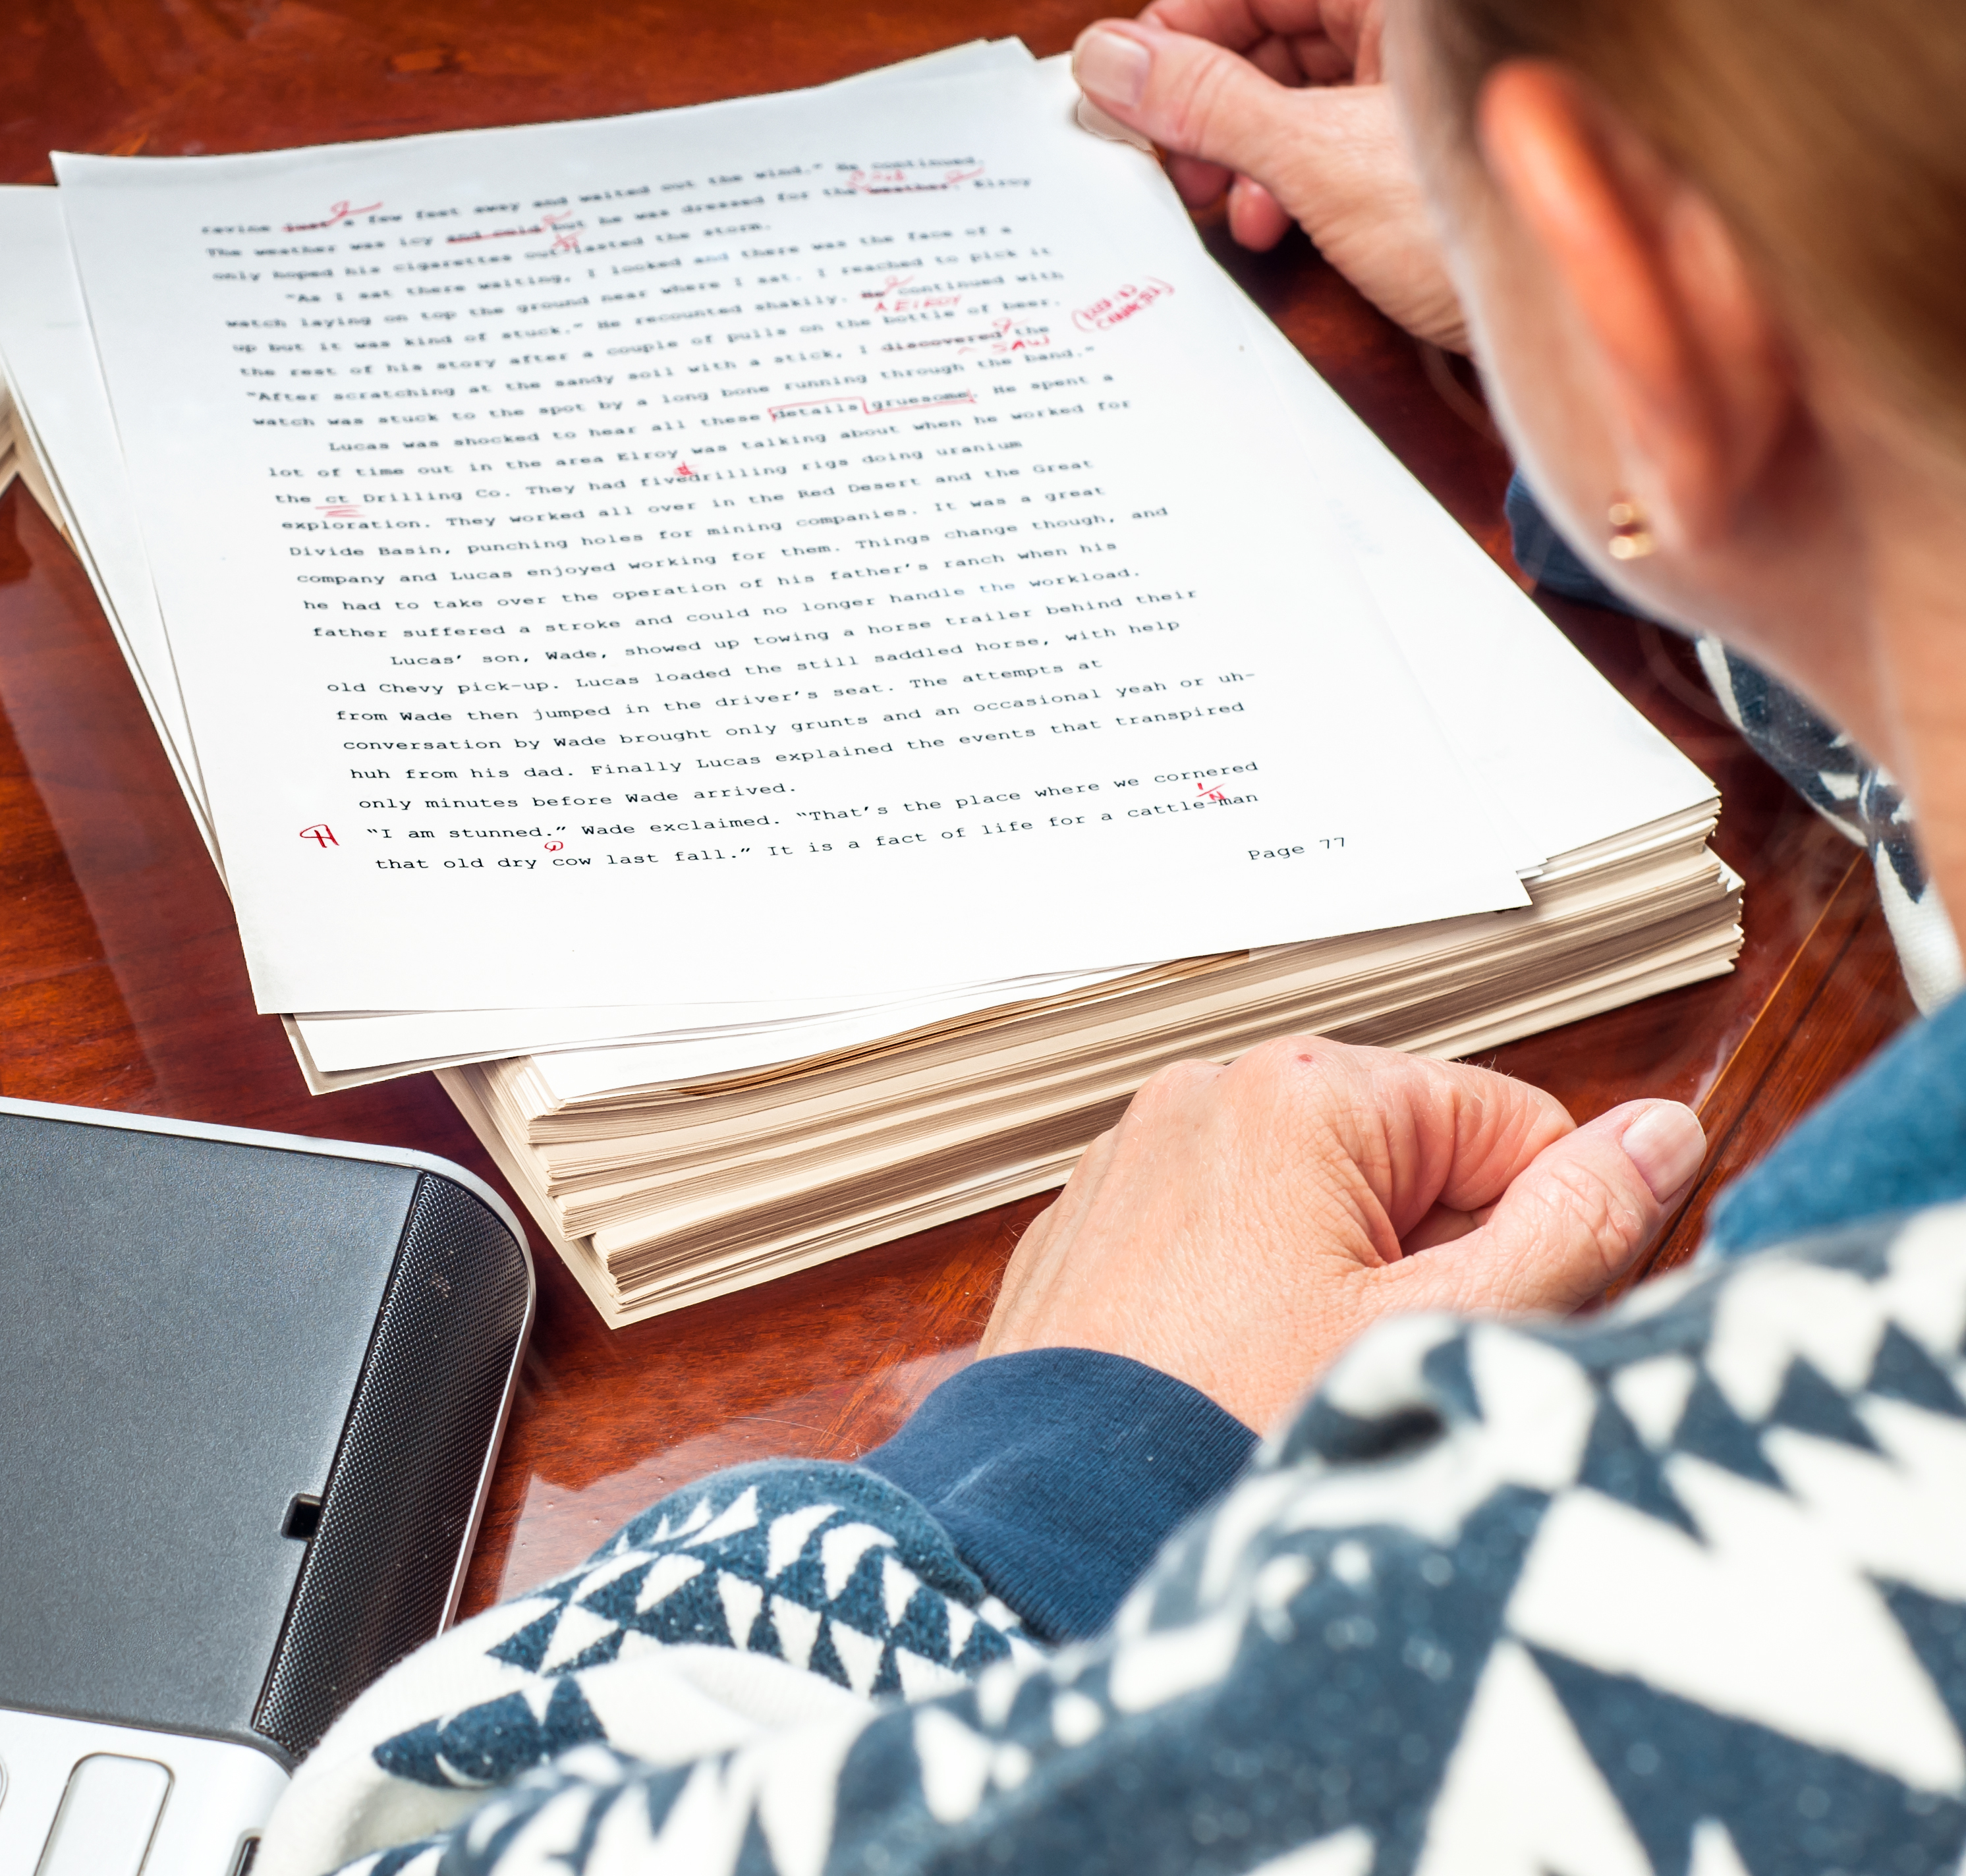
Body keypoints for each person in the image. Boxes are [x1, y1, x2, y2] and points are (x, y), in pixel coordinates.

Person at [261, 1, 1966, 1869]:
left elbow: (392, 1835)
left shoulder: (1642, 1637)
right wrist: (1654, 369)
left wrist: (1066, 1483)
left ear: (1637, 290)